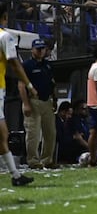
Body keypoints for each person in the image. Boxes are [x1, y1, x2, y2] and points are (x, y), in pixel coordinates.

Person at [0, 1, 38, 185]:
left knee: (2, 134)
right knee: (2, 133)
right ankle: (15, 176)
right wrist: (29, 84)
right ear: (5, 16)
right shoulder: (5, 36)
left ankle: (16, 175)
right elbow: (14, 63)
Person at [19, 39, 57, 170]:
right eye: (38, 49)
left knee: (50, 133)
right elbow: (21, 85)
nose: (41, 51)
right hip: (33, 101)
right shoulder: (27, 65)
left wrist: (55, 99)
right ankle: (33, 161)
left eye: (42, 49)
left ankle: (47, 159)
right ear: (32, 50)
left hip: (47, 101)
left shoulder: (47, 65)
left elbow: (52, 83)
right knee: (33, 134)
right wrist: (26, 104)